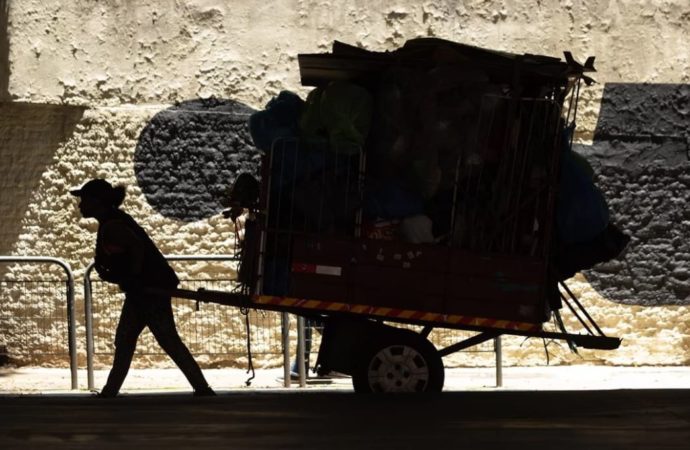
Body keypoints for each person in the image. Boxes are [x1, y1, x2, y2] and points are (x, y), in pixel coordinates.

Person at [72, 178, 215, 397]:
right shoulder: (113, 221)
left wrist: (133, 277)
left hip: (147, 291)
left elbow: (137, 248)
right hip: (143, 291)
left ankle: (202, 388)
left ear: (96, 201)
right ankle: (110, 391)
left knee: (160, 338)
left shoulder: (113, 226)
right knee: (129, 338)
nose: (80, 205)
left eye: (84, 200)